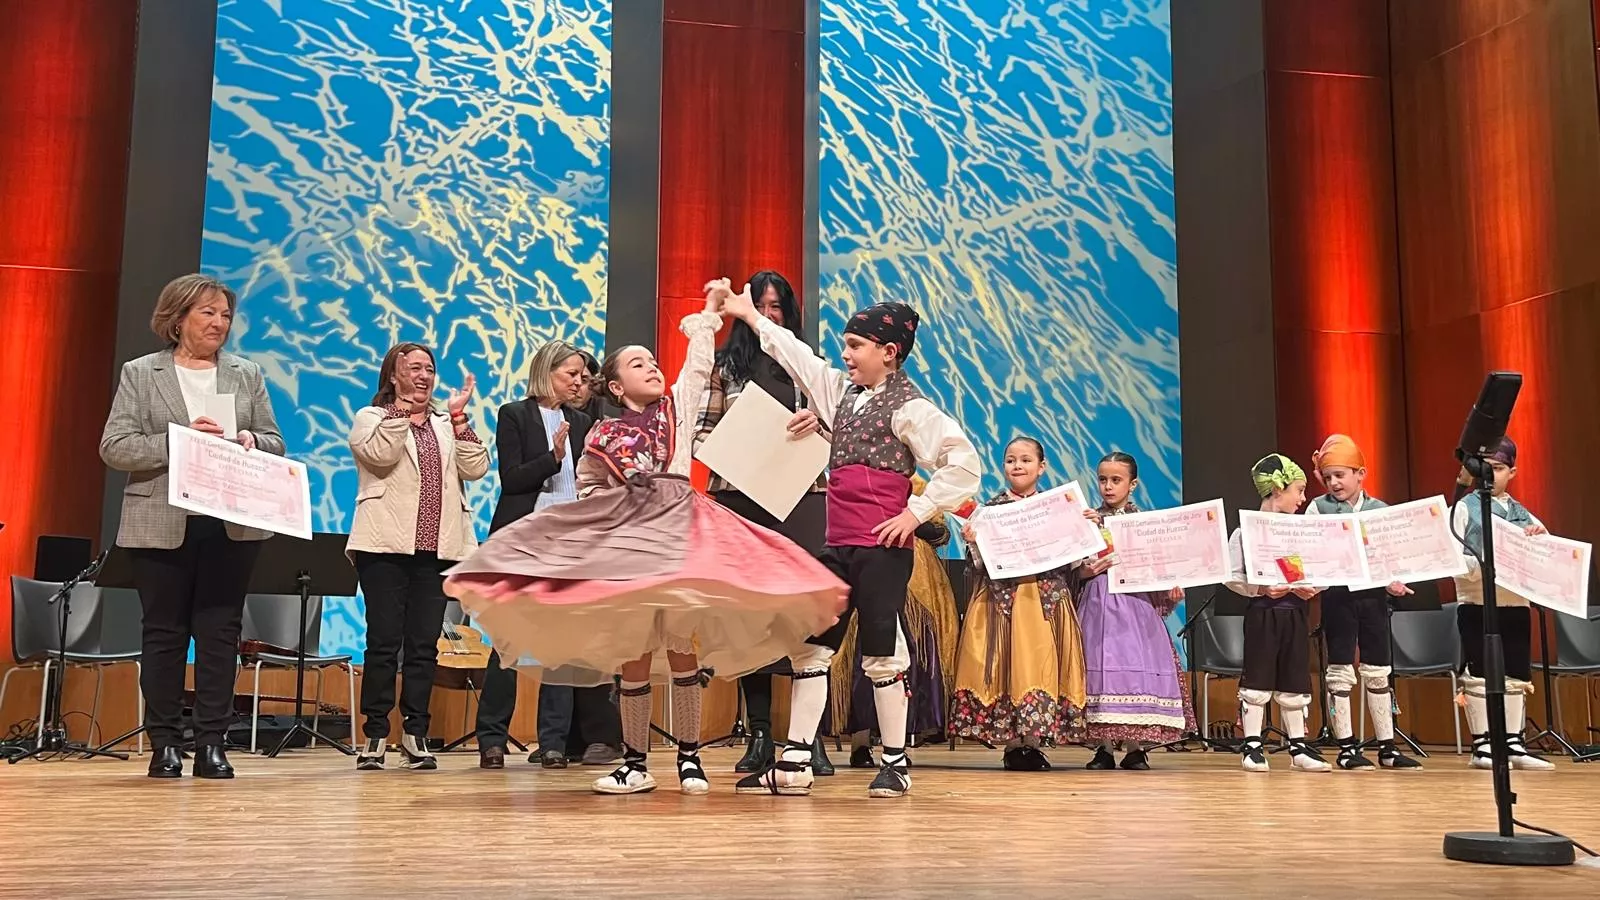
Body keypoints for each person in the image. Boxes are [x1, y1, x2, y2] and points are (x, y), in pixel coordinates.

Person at [444, 292, 847, 796]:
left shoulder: (674, 412)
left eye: (655, 361)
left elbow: (698, 370)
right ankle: (635, 761)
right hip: (632, 544)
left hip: (677, 532)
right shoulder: (601, 436)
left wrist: (705, 322)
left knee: (681, 648)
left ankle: (689, 757)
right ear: (615, 385)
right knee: (634, 653)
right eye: (639, 364)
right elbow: (590, 490)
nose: (653, 368)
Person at [719, 283, 982, 799]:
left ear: (889, 353)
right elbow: (799, 357)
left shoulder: (913, 409)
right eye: (844, 344)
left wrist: (915, 513)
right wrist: (753, 318)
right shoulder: (843, 396)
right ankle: (794, 760)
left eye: (856, 346)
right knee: (812, 646)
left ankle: (895, 761)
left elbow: (963, 464)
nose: (845, 354)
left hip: (881, 550)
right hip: (838, 544)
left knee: (882, 649)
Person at [100, 273, 285, 780]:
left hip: (229, 524)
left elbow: (275, 440)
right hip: (160, 520)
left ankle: (211, 743)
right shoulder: (142, 373)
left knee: (220, 634)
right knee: (163, 635)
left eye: (225, 315)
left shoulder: (246, 374)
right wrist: (178, 440)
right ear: (177, 319)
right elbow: (115, 447)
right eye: (207, 313)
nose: (218, 323)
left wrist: (249, 438)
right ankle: (165, 743)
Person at [693, 270, 833, 777]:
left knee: (806, 614)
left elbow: (841, 417)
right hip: (740, 495)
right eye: (761, 305)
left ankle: (808, 735)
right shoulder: (723, 368)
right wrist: (733, 445)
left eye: (778, 307)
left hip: (802, 496)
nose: (769, 315)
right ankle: (758, 733)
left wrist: (818, 422)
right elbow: (697, 433)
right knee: (749, 615)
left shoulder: (807, 363)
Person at [474, 340, 622, 770]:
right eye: (570, 374)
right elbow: (513, 479)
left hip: (572, 543)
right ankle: (492, 738)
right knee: (508, 641)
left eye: (581, 375)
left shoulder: (583, 420)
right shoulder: (514, 414)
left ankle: (553, 741)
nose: (578, 382)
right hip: (525, 538)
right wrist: (553, 458)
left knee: (560, 643)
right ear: (546, 373)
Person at [347, 343, 490, 771]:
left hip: (438, 550)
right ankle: (374, 734)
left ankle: (415, 733)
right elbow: (380, 455)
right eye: (414, 368)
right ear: (393, 375)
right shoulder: (372, 418)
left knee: (424, 647)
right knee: (383, 643)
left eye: (429, 368)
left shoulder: (446, 424)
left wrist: (461, 419)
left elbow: (476, 468)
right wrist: (401, 415)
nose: (424, 375)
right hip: (384, 547)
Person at [949, 438, 1086, 771]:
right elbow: (980, 564)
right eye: (1011, 460)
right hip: (1002, 602)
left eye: (1026, 460)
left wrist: (1082, 530)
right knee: (1007, 666)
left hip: (1044, 599)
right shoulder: (991, 511)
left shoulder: (1057, 508)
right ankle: (1012, 744)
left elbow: (1071, 558)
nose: (1018, 466)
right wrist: (974, 542)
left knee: (1040, 665)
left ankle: (1035, 743)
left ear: (1042, 466)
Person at [1303, 434, 1422, 771]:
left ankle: (1387, 746)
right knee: (1340, 670)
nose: (1334, 483)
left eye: (1340, 475)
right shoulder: (1318, 508)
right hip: (1338, 597)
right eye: (1328, 477)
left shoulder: (1380, 510)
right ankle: (1346, 746)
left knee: (1378, 670)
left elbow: (1390, 556)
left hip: (1373, 598)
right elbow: (1311, 552)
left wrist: (1394, 580)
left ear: (1361, 473)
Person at [1077, 451, 1194, 770]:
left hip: (1134, 604)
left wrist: (1170, 585)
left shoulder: (1144, 525)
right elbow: (1074, 569)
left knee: (1133, 666)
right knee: (1098, 666)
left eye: (1116, 480)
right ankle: (1102, 748)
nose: (1108, 486)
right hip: (1099, 600)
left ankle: (1134, 746)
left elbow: (1159, 567)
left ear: (1133, 484)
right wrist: (1087, 570)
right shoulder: (1087, 521)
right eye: (1103, 479)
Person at [833, 475, 960, 767]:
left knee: (909, 662)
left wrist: (914, 518)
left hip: (918, 587)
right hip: (868, 573)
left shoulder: (922, 486)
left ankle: (896, 744)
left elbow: (941, 533)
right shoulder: (860, 481)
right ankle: (860, 742)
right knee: (865, 662)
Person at [1451, 436, 1555, 771]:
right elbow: (1453, 561)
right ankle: (1482, 743)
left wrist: (1540, 546)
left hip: (1515, 603)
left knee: (1515, 672)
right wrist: (1487, 562)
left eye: (1498, 468)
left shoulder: (1523, 514)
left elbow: (1547, 555)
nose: (1491, 475)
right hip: (1476, 601)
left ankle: (1513, 742)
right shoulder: (1464, 509)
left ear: (1512, 471)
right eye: (1485, 468)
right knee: (1480, 671)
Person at [1225, 453, 1332, 773]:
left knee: (1295, 675)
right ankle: (1253, 745)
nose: (1302, 498)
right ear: (1276, 490)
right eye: (1298, 490)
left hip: (1296, 613)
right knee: (1258, 676)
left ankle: (1298, 746)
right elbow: (1231, 575)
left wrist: (1312, 588)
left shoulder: (1300, 532)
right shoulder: (1246, 532)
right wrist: (1261, 589)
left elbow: (1321, 568)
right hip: (1263, 614)